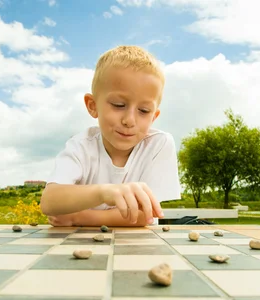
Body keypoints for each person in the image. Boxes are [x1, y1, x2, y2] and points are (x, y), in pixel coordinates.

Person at [40, 45, 181, 227]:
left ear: (154, 117)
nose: (129, 120)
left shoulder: (159, 144)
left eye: (144, 111)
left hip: (138, 249)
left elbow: (144, 216)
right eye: (118, 105)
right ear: (92, 105)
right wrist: (104, 193)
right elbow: (49, 202)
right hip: (81, 244)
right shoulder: (80, 146)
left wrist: (78, 217)